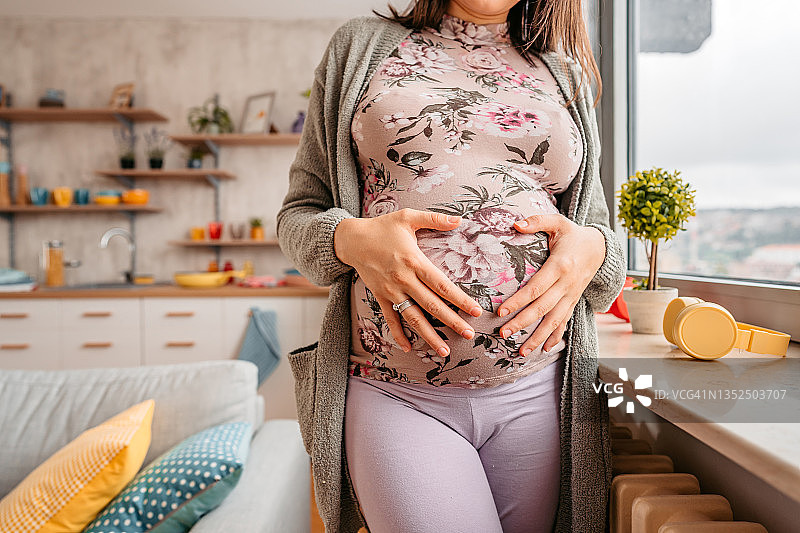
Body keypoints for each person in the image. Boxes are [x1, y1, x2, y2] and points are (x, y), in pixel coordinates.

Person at [276, 1, 626, 532]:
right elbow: (298, 215)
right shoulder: (361, 48)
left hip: (541, 389)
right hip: (397, 389)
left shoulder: (563, 72)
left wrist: (594, 250)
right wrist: (348, 237)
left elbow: (597, 232)